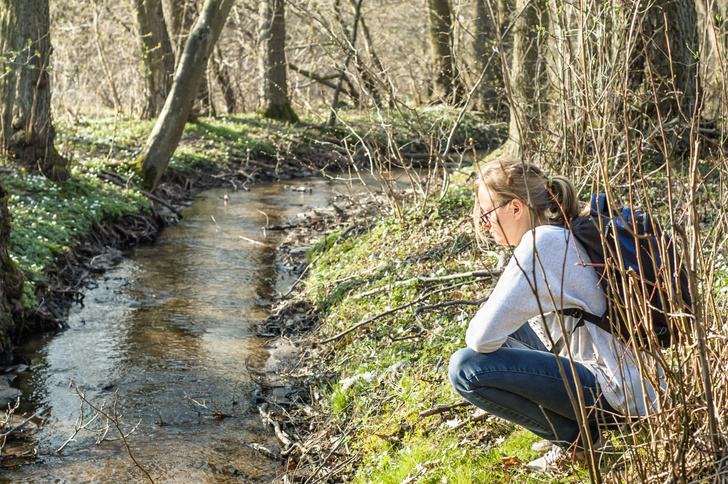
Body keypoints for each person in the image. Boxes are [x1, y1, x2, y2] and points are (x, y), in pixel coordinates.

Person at [448, 158, 659, 472]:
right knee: (512, 331)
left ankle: (576, 443)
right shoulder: (557, 233)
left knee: (465, 368)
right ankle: (570, 429)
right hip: (636, 380)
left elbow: (479, 337)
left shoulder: (540, 245)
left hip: (620, 392)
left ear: (516, 208)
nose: (483, 223)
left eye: (487, 213)